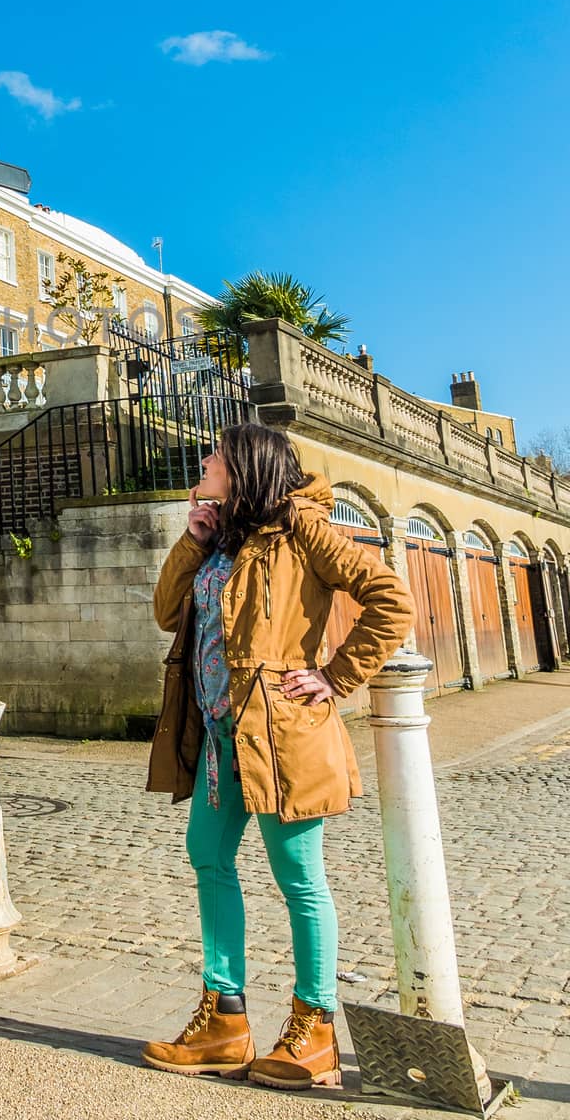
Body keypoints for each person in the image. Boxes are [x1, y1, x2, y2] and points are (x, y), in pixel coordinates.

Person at [140, 421, 413, 1089]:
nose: (201, 461)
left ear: (244, 467)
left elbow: (391, 601)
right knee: (208, 855)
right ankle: (224, 1019)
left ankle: (313, 1029)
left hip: (282, 736)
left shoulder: (305, 529)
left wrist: (337, 677)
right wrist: (192, 540)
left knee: (299, 880)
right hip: (217, 739)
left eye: (213, 455)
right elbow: (166, 612)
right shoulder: (218, 538)